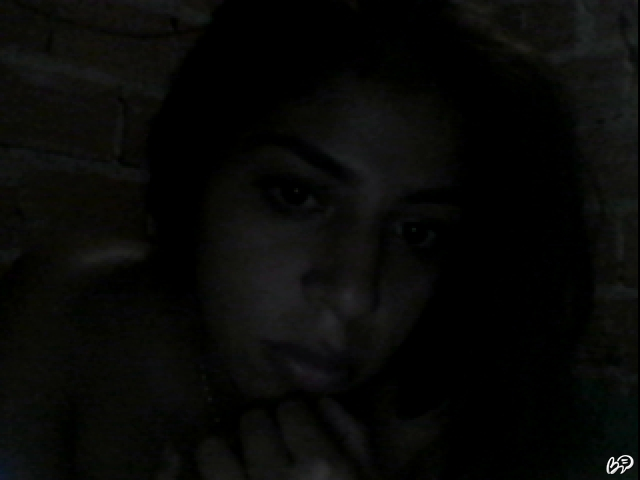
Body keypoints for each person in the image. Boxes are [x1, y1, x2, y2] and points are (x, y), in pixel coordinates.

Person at [0, 0, 597, 479]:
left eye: (419, 233)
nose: (354, 294)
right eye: (296, 196)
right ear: (197, 176)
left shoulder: (436, 423)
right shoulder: (67, 311)